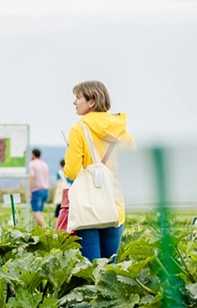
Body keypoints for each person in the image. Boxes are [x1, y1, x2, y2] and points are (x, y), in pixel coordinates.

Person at [63, 80, 135, 261]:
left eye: (78, 97)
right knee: (110, 273)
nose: (74, 102)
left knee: (91, 273)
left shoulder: (79, 130)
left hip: (88, 208)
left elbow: (71, 172)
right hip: (115, 207)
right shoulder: (122, 132)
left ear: (91, 102)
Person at [27, 148, 51, 227]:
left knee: (36, 212)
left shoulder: (32, 164)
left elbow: (32, 177)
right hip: (45, 190)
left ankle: (47, 229)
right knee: (39, 214)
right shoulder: (44, 164)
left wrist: (30, 190)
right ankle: (40, 234)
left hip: (36, 191)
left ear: (33, 154)